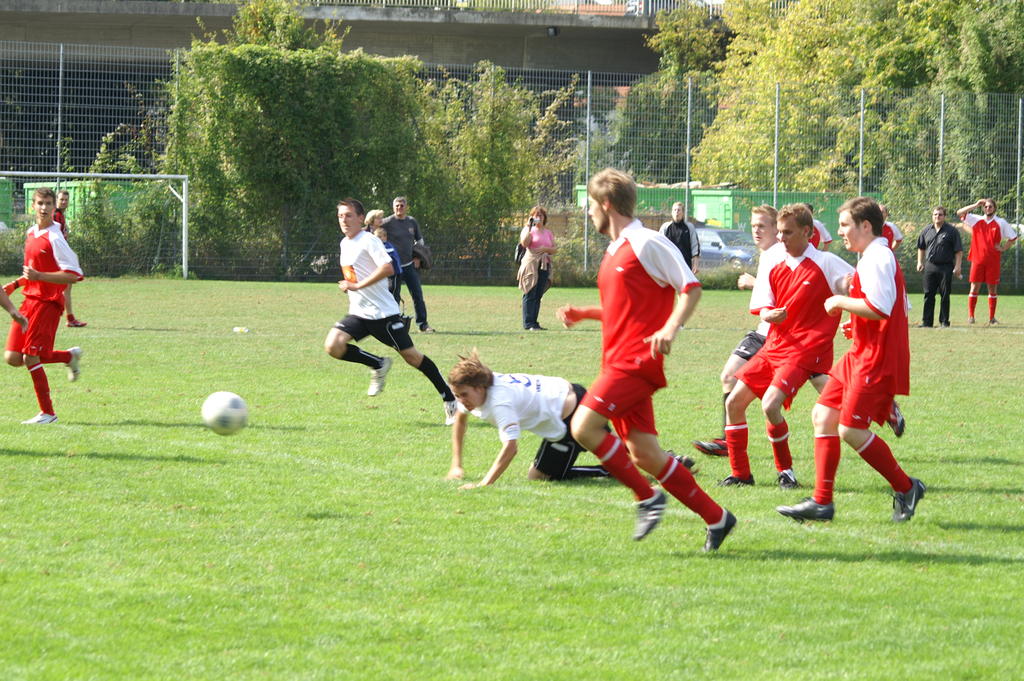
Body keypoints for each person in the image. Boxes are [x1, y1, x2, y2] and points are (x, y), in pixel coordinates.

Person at [556, 167, 735, 552]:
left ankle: (647, 498)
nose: (589, 212)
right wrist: (584, 313)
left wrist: (670, 328)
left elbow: (690, 288)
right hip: (615, 361)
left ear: (607, 204)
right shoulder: (614, 251)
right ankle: (718, 518)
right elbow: (622, 310)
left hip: (636, 362)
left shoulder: (648, 242)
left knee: (583, 427)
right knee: (645, 455)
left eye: (591, 205)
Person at [778, 197, 925, 523]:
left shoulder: (878, 257)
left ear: (865, 226)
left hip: (876, 358)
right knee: (822, 416)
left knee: (850, 429)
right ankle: (821, 502)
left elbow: (881, 307)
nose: (840, 231)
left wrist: (839, 302)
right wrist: (856, 322)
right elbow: (890, 306)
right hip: (861, 352)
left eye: (845, 225)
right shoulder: (872, 256)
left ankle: (907, 487)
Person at [716, 204, 854, 490]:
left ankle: (786, 472)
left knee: (770, 404)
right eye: (779, 232)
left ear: (807, 232)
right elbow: (762, 306)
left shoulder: (826, 262)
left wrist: (853, 311)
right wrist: (770, 315)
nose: (780, 238)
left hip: (804, 350)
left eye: (787, 233)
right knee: (733, 403)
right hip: (774, 345)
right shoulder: (775, 263)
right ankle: (741, 474)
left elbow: (858, 287)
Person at [691, 205, 832, 458]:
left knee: (821, 385)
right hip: (769, 332)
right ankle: (730, 441)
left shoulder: (781, 253)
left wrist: (752, 283)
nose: (756, 231)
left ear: (776, 227)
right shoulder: (771, 253)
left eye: (762, 226)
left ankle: (874, 408)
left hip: (783, 337)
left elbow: (791, 293)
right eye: (753, 225)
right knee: (730, 376)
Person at [324, 198, 456, 424]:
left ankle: (450, 399)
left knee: (413, 357)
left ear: (360, 218)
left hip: (383, 314)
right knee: (333, 345)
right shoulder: (345, 243)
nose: (343, 220)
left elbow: (388, 267)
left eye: (348, 215)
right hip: (359, 313)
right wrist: (351, 285)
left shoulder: (369, 240)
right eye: (340, 216)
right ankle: (378, 364)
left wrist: (357, 285)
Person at [445, 350, 610, 486]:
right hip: (570, 396)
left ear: (479, 388)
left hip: (571, 416)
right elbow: (460, 419)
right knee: (615, 450)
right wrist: (456, 464)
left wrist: (483, 484)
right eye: (457, 395)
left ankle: (608, 471)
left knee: (538, 477)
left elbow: (511, 448)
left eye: (464, 395)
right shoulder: (478, 389)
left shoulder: (499, 403)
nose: (461, 400)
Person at [3, 187, 84, 424]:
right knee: (13, 357)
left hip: (48, 303)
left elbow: (74, 275)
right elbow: (32, 272)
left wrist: (40, 277)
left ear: (53, 207)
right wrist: (16, 284)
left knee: (31, 357)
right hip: (29, 299)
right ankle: (68, 356)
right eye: (40, 203)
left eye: (48, 203)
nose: (44, 208)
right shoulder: (31, 233)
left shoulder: (55, 238)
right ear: (33, 205)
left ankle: (48, 413)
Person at [955, 198, 1017, 324]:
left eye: (990, 206)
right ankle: (971, 316)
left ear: (995, 208)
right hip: (977, 260)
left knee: (992, 289)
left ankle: (992, 318)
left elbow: (1013, 237)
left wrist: (1003, 248)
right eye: (986, 206)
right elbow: (959, 212)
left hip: (993, 261)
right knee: (974, 288)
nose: (988, 208)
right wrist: (976, 204)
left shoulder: (1001, 222)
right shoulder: (976, 219)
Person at [382, 196, 434, 333]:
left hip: (410, 265)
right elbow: (373, 232)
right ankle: (394, 324)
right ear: (393, 207)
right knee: (394, 296)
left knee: (417, 295)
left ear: (406, 207)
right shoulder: (387, 222)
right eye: (397, 205)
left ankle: (423, 325)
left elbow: (420, 241)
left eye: (402, 205)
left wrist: (418, 257)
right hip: (394, 267)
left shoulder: (412, 222)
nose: (399, 208)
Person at [916, 206, 963, 328]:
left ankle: (944, 322)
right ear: (932, 216)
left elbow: (958, 251)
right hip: (930, 266)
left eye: (940, 214)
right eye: (935, 214)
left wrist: (958, 266)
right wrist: (920, 262)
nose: (937, 216)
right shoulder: (926, 230)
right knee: (928, 294)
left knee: (945, 294)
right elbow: (921, 247)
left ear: (944, 216)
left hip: (945, 267)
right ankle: (927, 322)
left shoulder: (952, 231)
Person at [517, 206, 557, 331]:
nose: (538, 217)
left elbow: (554, 249)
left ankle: (534, 322)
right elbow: (525, 243)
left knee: (538, 294)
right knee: (530, 292)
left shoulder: (548, 232)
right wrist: (529, 227)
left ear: (544, 217)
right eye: (535, 215)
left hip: (544, 264)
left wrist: (545, 249)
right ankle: (528, 323)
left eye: (540, 215)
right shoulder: (528, 230)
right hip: (531, 265)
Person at [53, 190, 86, 328]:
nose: (64, 202)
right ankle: (67, 318)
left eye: (66, 200)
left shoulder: (60, 215)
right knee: (63, 286)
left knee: (65, 287)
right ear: (56, 200)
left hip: (60, 255)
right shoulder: (56, 215)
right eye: (61, 199)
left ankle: (70, 318)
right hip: (57, 256)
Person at [366, 209, 402, 299]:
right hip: (370, 270)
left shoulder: (384, 230)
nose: (381, 220)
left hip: (388, 271)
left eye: (381, 218)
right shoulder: (364, 233)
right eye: (378, 218)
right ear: (372, 219)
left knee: (391, 294)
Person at [658, 201, 700, 272]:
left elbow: (695, 247)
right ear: (672, 212)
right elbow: (659, 246)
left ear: (683, 213)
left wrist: (695, 265)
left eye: (679, 210)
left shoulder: (689, 227)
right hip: (668, 266)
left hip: (685, 265)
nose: (676, 212)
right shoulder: (665, 227)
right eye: (675, 210)